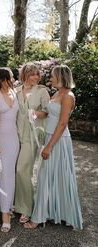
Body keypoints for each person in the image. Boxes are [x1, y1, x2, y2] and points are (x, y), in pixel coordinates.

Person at [24, 65, 83, 230]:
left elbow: (63, 123)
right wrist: (35, 114)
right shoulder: (57, 93)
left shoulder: (68, 96)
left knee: (52, 176)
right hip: (50, 136)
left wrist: (49, 146)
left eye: (52, 76)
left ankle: (39, 217)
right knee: (48, 176)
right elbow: (50, 114)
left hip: (58, 140)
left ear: (61, 77)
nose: (50, 78)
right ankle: (50, 212)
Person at [15, 63, 50, 224]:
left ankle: (26, 209)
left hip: (33, 135)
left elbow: (48, 112)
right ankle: (17, 203)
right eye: (32, 74)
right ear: (24, 75)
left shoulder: (42, 91)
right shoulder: (15, 91)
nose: (36, 77)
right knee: (15, 170)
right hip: (15, 134)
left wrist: (35, 114)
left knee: (23, 169)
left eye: (37, 74)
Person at [0, 67, 20, 233]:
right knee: (1, 174)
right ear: (2, 80)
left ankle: (8, 207)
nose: (14, 79)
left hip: (14, 139)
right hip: (0, 138)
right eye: (11, 77)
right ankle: (4, 214)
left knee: (10, 174)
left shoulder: (15, 93)